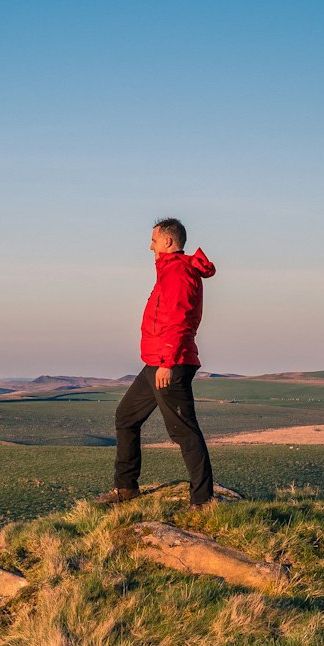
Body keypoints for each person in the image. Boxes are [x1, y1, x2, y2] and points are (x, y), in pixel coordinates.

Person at [99, 217, 216, 507]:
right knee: (126, 416)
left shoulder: (178, 273)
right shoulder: (168, 271)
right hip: (156, 362)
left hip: (170, 364)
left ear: (167, 241)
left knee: (184, 431)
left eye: (153, 240)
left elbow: (179, 320)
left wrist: (167, 361)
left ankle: (202, 501)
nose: (149, 246)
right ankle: (125, 489)